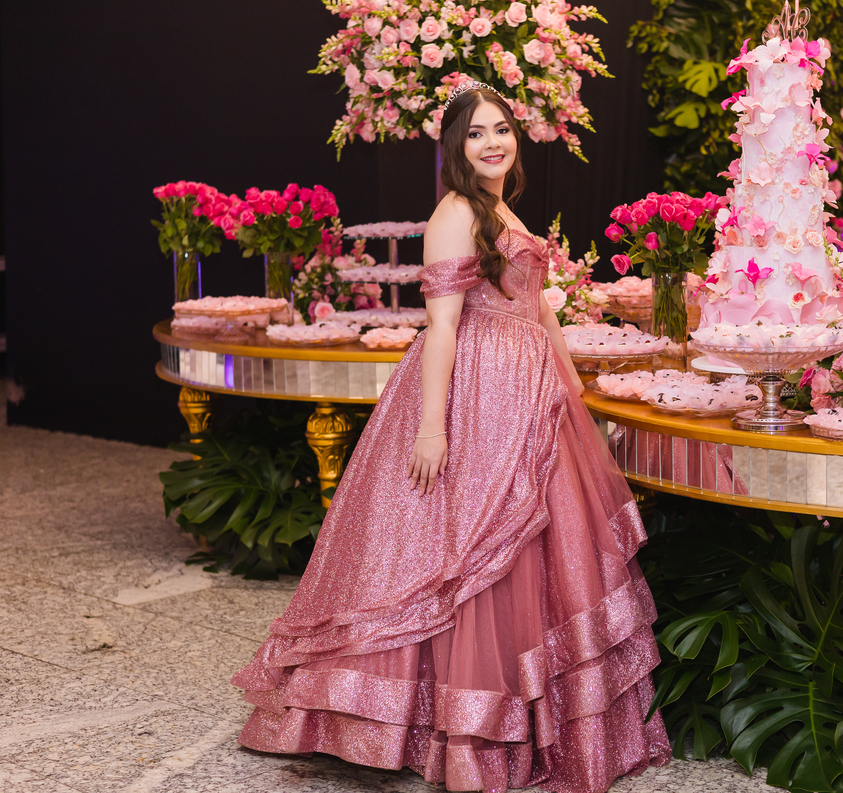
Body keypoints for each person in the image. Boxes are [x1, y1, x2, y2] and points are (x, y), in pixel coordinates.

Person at [231, 82, 669, 793]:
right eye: (476, 133)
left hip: (528, 392)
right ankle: (447, 728)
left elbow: (538, 309)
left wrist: (573, 390)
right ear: (455, 148)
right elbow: (441, 327)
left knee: (529, 549)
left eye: (502, 129)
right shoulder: (456, 213)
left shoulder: (500, 208)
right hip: (477, 392)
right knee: (464, 552)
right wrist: (432, 428)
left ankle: (523, 717)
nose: (493, 142)